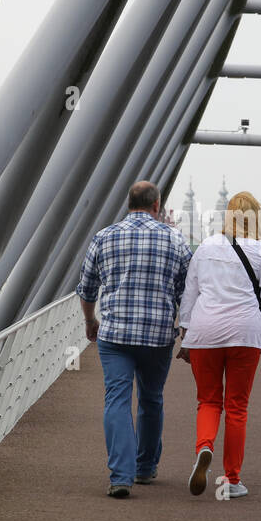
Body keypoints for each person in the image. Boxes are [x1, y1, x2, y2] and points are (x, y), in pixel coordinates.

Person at [77, 181, 192, 498]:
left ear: (128, 204)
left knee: (117, 399)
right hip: (157, 336)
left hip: (114, 335)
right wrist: (186, 332)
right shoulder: (175, 239)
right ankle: (144, 468)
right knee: (152, 399)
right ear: (157, 206)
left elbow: (86, 289)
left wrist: (90, 321)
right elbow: (188, 291)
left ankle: (120, 477)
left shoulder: (105, 237)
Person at [177, 191, 261, 499]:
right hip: (245, 334)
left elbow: (190, 294)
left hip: (205, 332)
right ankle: (231, 480)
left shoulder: (206, 247)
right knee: (237, 407)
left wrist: (187, 333)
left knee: (208, 401)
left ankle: (205, 447)